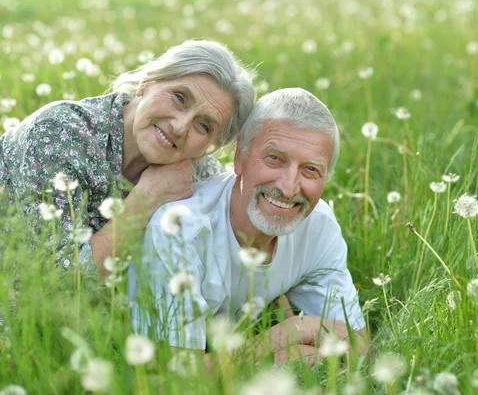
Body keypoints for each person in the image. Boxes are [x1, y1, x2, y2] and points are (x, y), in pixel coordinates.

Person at [129, 88, 367, 363]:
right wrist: (287, 337)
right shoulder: (178, 230)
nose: (289, 189)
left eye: (311, 169)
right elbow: (174, 380)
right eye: (274, 159)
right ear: (239, 158)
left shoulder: (320, 226)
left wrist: (293, 358)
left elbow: (359, 348)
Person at [0, 40, 255, 276]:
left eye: (203, 126)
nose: (180, 126)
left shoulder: (198, 177)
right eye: (179, 98)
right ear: (146, 82)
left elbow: (236, 258)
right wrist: (145, 201)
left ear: (209, 147)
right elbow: (57, 280)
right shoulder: (61, 132)